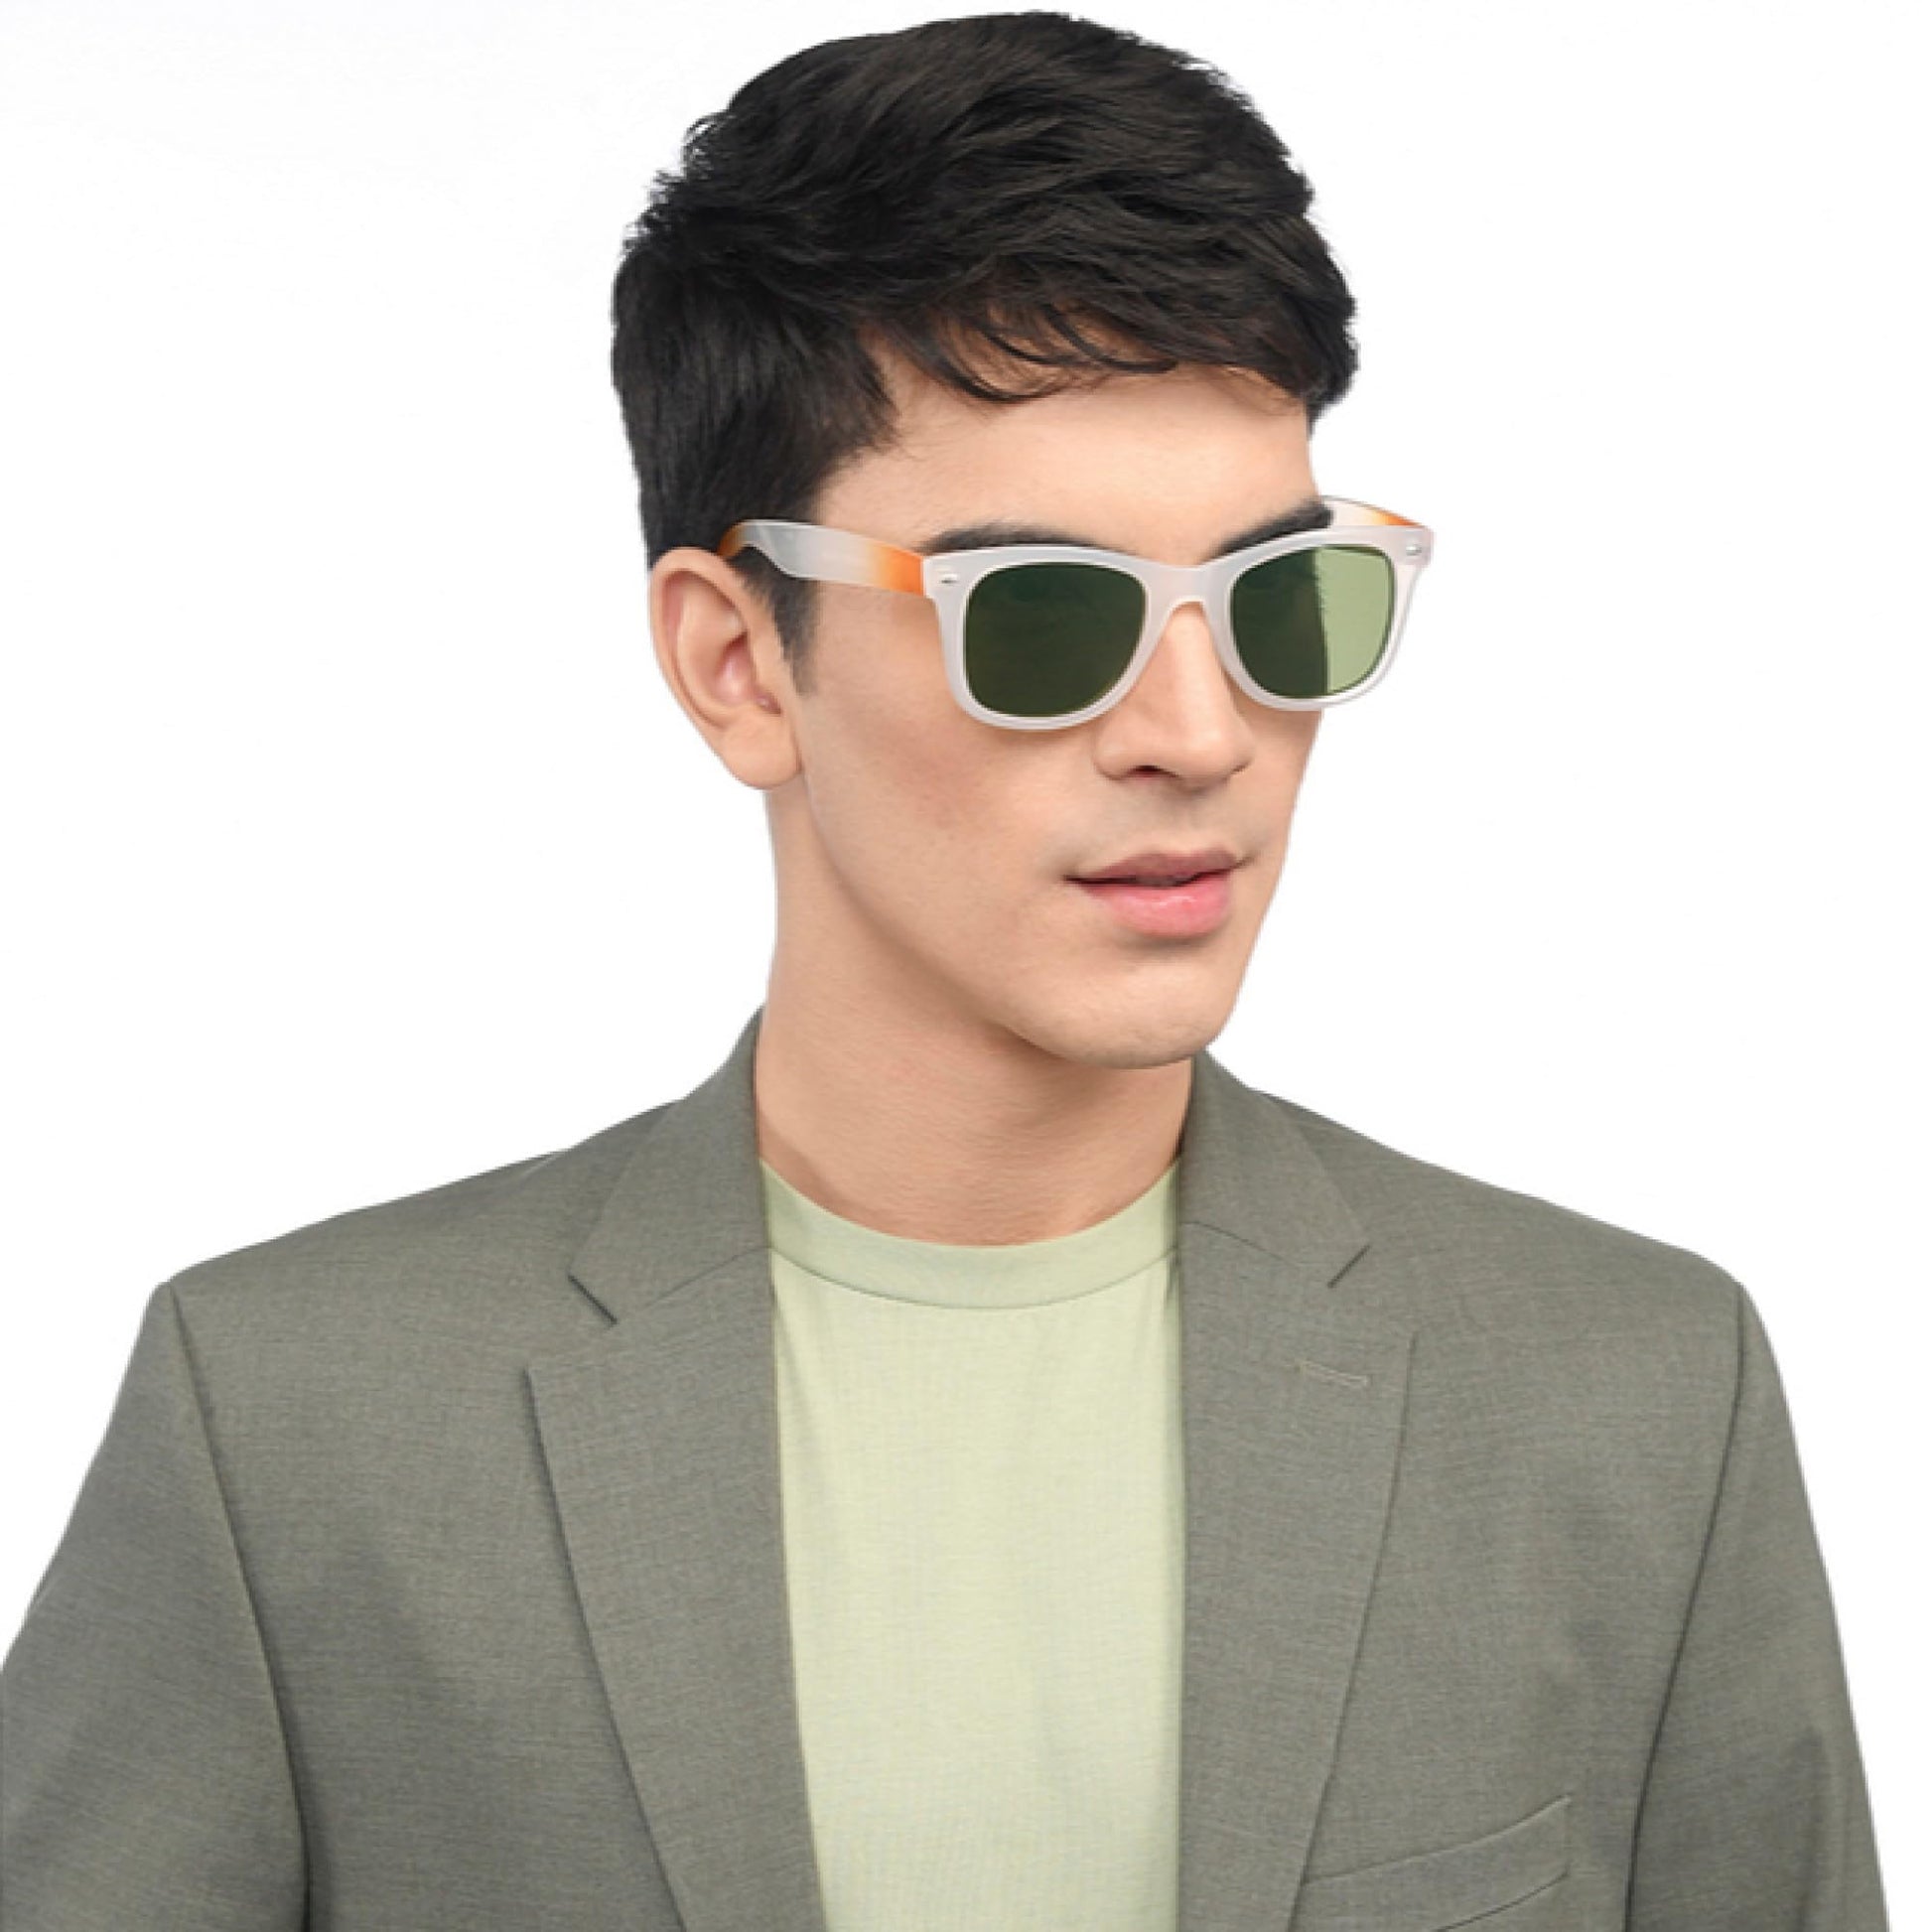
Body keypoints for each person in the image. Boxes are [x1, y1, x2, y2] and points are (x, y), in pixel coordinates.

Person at [0, 12, 1890, 1930]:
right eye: (1045, 617)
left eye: (1279, 600)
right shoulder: (296, 1425)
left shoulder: (1632, 1400)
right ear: (739, 663)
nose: (1198, 733)